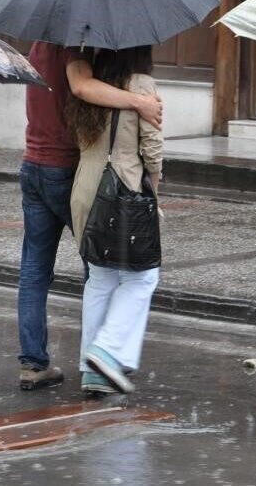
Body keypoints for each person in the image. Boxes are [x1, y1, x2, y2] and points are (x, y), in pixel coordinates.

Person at [16, 42, 163, 391]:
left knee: (39, 270)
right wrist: (140, 101)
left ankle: (36, 362)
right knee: (113, 270)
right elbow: (82, 87)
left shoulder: (37, 48)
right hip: (69, 172)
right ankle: (104, 355)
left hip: (34, 164)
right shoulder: (76, 56)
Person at [67, 46, 162, 395]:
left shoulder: (88, 83)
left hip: (86, 188)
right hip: (123, 189)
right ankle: (105, 350)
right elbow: (152, 151)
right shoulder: (142, 87)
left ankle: (91, 371)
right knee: (143, 277)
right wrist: (154, 193)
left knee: (100, 277)